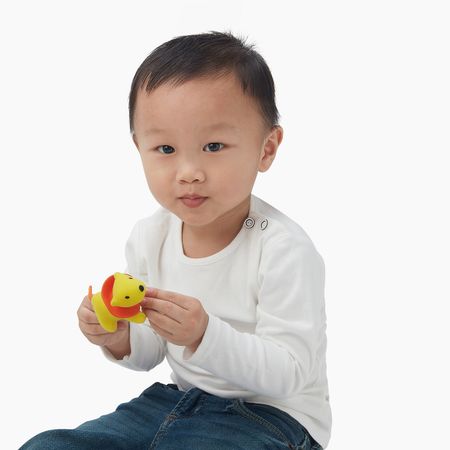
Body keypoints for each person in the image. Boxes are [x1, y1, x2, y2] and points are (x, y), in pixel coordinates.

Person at [20, 30, 331, 449]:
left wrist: (204, 335)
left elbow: (290, 372)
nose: (189, 172)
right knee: (48, 445)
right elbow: (151, 346)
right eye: (165, 149)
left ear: (266, 148)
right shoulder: (151, 235)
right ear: (139, 148)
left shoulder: (283, 249)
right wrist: (118, 335)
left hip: (271, 418)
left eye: (213, 146)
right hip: (178, 400)